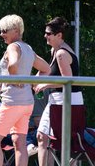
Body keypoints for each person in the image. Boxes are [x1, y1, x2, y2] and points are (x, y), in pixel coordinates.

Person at [0, 14, 50, 166]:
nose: (1, 34)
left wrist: (18, 79)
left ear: (15, 30)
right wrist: (32, 82)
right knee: (20, 143)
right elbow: (46, 68)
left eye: (4, 30)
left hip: (12, 101)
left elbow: (13, 64)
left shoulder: (13, 47)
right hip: (27, 103)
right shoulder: (28, 48)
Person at [34, 17, 84, 166]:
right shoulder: (54, 50)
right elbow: (49, 71)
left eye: (48, 33)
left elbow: (67, 81)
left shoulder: (62, 54)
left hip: (67, 101)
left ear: (59, 35)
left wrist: (45, 85)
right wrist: (33, 79)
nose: (45, 36)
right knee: (43, 137)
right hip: (57, 101)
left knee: (54, 139)